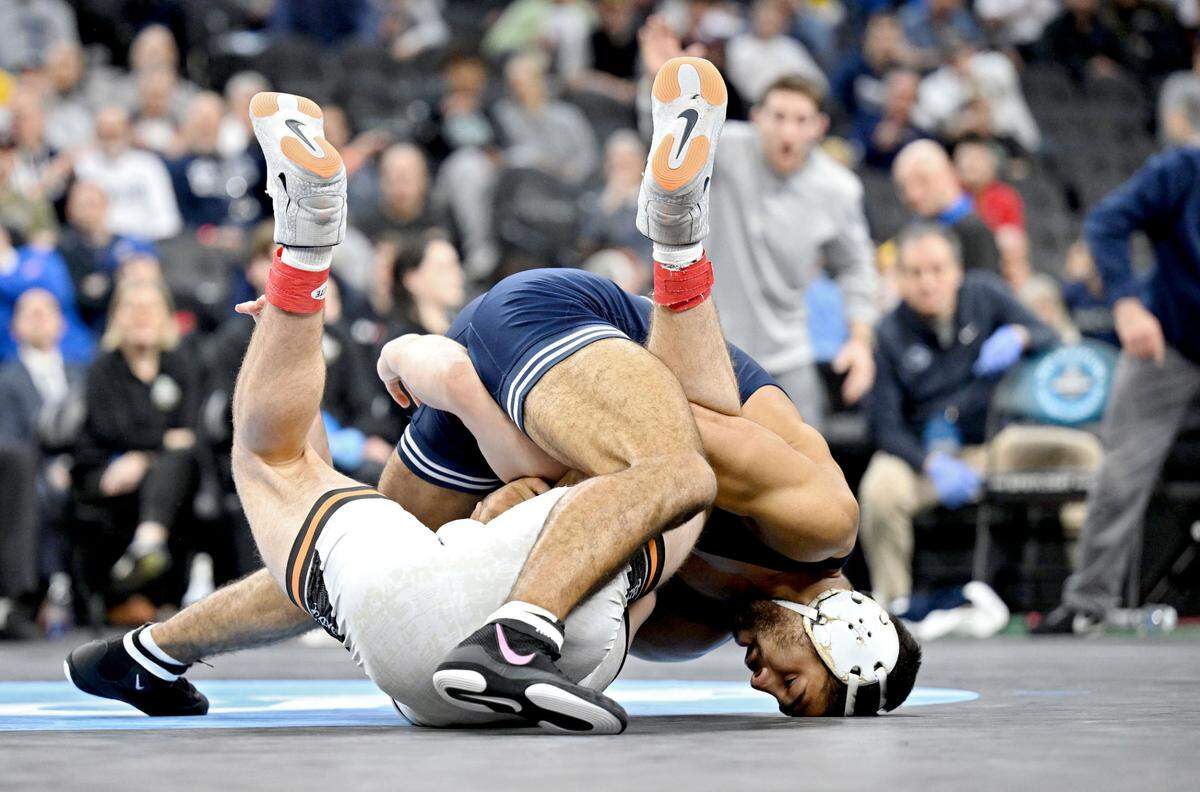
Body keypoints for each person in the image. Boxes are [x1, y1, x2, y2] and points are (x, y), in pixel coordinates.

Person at [67, 86, 919, 724]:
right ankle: (677, 234)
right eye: (790, 682)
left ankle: (151, 652)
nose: (760, 683)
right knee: (675, 472)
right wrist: (477, 407)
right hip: (573, 327)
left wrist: (493, 455)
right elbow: (664, 425)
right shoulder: (817, 520)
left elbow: (546, 514)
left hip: (520, 406)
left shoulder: (688, 628)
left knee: (366, 555)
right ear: (844, 629)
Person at [641, 14, 879, 431]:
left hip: (788, 357)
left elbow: (857, 268)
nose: (788, 131)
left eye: (801, 120)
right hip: (707, 345)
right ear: (757, 117)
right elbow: (668, 156)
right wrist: (664, 87)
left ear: (820, 127)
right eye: (778, 116)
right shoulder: (724, 147)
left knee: (806, 462)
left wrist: (860, 341)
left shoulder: (838, 189)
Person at [1034, 144, 1200, 633]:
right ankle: (1089, 603)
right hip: (1167, 341)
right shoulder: (1183, 169)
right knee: (1122, 472)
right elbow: (1106, 223)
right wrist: (1126, 304)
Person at [858, 223, 1066, 609]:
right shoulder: (887, 333)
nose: (927, 282)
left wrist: (1020, 336)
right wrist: (929, 463)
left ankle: (1087, 599)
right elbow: (884, 426)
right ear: (899, 278)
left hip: (994, 446)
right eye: (915, 273)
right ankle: (894, 609)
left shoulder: (983, 294)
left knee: (1082, 454)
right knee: (880, 489)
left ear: (957, 271)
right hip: (927, 459)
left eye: (937, 270)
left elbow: (1050, 335)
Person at [71, 279, 202, 611]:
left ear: (166, 317)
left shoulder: (181, 364)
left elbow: (190, 431)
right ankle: (140, 561)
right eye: (133, 308)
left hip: (164, 472)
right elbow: (110, 429)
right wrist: (160, 441)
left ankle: (148, 546)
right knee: (173, 460)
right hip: (107, 468)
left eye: (151, 308)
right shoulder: (103, 367)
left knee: (179, 462)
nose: (142, 315)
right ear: (117, 317)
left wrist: (143, 456)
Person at [0, 289, 85, 639]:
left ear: (62, 324)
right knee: (33, 490)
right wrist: (49, 468)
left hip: (80, 469)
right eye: (29, 312)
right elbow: (8, 441)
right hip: (28, 475)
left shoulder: (83, 374)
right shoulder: (5, 379)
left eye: (46, 310)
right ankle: (35, 593)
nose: (38, 317)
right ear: (14, 328)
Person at [74, 106, 183, 241]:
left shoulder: (149, 164)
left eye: (115, 132)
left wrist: (135, 238)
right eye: (104, 133)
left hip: (147, 241)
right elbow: (79, 216)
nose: (110, 137)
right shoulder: (84, 166)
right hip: (99, 244)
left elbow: (167, 220)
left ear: (128, 131)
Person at [893, 139, 1000, 272]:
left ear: (948, 174)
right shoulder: (912, 230)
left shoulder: (976, 230)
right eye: (903, 187)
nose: (912, 195)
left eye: (922, 181)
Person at [725, 0, 827, 105]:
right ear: (754, 17)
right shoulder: (740, 45)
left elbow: (818, 81)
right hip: (757, 103)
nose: (768, 21)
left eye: (773, 18)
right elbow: (741, 85)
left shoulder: (790, 46)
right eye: (765, 16)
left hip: (796, 99)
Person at [954, 140, 1024, 232]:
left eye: (977, 159)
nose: (970, 164)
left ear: (991, 165)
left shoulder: (1005, 197)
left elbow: (1013, 232)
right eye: (964, 158)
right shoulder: (951, 193)